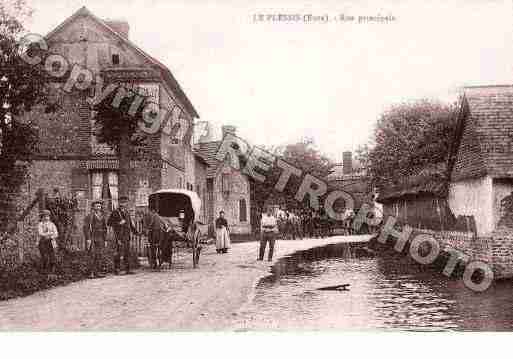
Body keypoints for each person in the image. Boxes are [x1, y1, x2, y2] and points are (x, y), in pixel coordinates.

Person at [108, 196, 137, 275]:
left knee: (127, 252)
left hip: (126, 236)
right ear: (119, 203)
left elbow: (130, 224)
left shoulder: (127, 212)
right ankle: (117, 269)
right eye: (122, 202)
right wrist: (118, 223)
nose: (124, 204)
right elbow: (109, 223)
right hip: (119, 235)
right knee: (118, 252)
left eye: (125, 202)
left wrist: (136, 232)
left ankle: (127, 269)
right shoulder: (115, 212)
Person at [83, 201, 107, 278]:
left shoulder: (102, 217)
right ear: (93, 207)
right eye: (96, 206)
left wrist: (105, 239)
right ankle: (91, 272)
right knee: (92, 254)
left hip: (100, 238)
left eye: (99, 206)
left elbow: (105, 228)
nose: (98, 208)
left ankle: (98, 272)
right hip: (92, 237)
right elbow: (86, 228)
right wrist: (88, 238)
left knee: (99, 255)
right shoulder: (89, 216)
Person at [38, 209, 58, 275]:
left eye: (47, 216)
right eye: (44, 216)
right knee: (45, 256)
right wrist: (50, 233)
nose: (46, 218)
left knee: (53, 256)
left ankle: (52, 271)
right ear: (42, 217)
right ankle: (44, 270)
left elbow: (56, 233)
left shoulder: (52, 224)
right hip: (43, 242)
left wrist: (51, 236)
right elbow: (40, 233)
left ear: (49, 217)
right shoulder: (40, 224)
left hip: (51, 242)